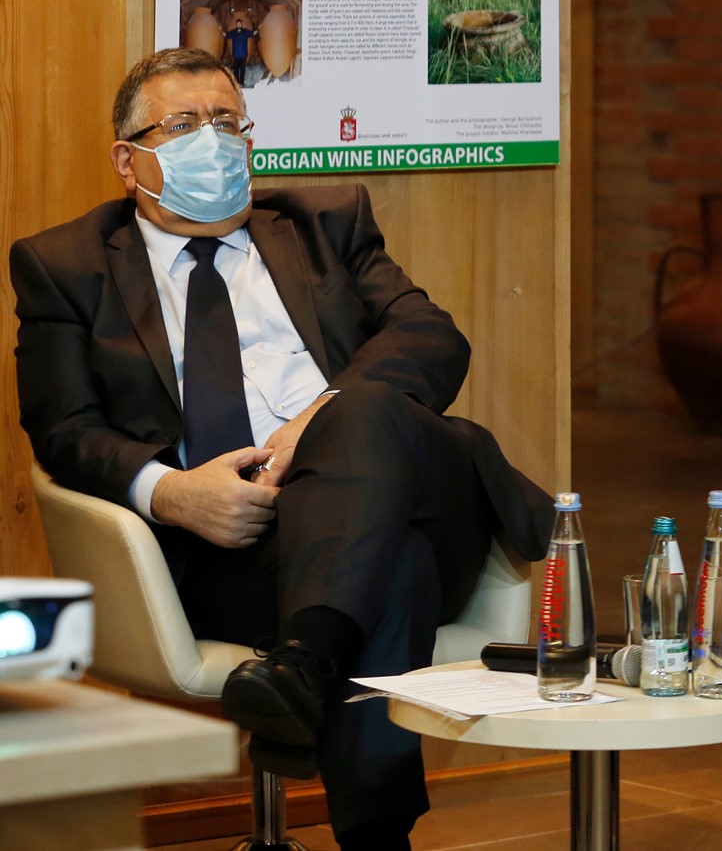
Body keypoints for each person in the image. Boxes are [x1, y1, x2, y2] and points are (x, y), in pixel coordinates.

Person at [11, 48, 553, 851]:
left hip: (409, 491)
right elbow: (64, 429)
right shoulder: (64, 266)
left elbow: (431, 336)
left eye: (228, 121)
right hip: (236, 550)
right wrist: (172, 493)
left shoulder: (323, 225)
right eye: (183, 125)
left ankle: (301, 666)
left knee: (365, 404)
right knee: (393, 569)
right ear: (128, 161)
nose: (213, 140)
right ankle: (361, 797)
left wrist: (321, 419)